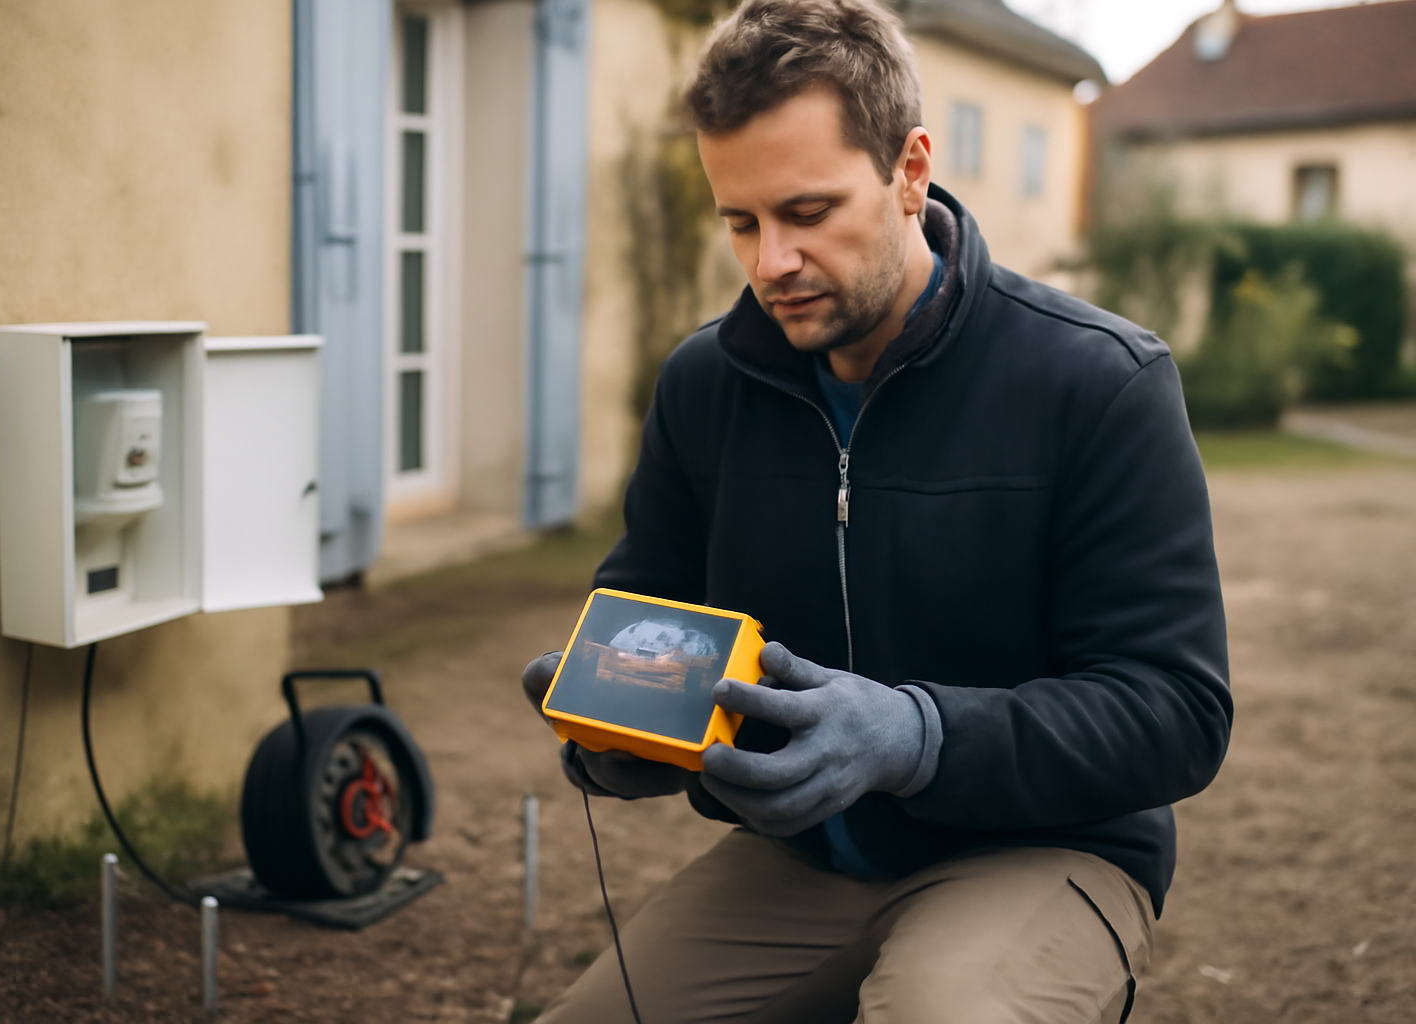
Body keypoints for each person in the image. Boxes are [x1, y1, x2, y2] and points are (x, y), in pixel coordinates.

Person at [520, 0, 1231, 1018]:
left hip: (1038, 850)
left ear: (910, 170)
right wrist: (615, 722)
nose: (770, 263)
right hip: (796, 861)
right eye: (740, 221)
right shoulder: (702, 386)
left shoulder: (1100, 381)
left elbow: (1176, 711)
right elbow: (647, 609)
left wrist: (916, 733)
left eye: (806, 213)